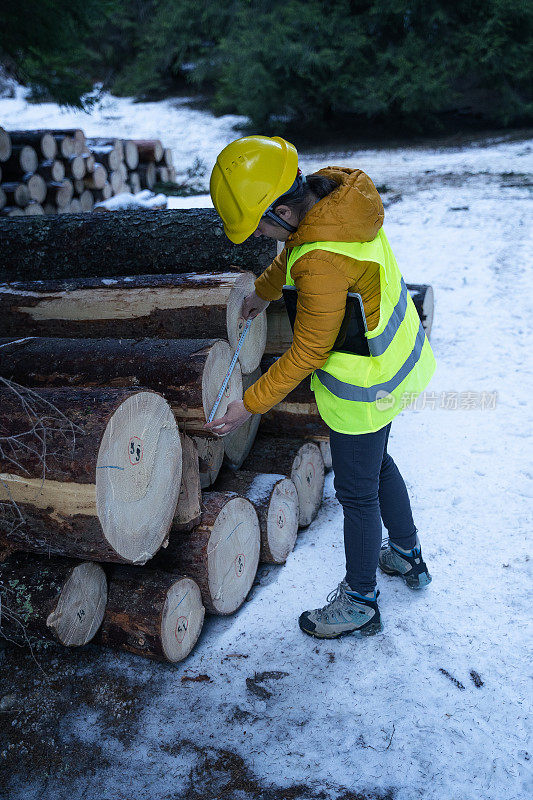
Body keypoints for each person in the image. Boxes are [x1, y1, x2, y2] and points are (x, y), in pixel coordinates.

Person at [206, 135, 436, 640]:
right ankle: (406, 554)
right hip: (394, 361)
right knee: (379, 466)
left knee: (356, 494)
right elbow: (294, 247)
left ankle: (360, 601)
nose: (264, 236)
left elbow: (308, 351)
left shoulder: (320, 260)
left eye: (262, 225)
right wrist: (264, 293)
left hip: (366, 383)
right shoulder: (334, 195)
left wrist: (249, 404)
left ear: (284, 210)